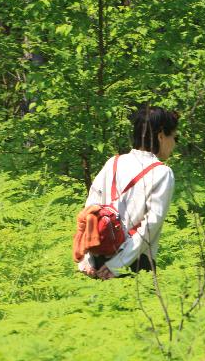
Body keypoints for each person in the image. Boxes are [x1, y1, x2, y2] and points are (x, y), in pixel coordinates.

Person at [77, 106, 179, 280]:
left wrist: (85, 258)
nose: (175, 143)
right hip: (135, 264)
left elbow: (90, 213)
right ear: (161, 136)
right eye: (175, 137)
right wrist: (118, 265)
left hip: (97, 262)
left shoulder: (113, 163)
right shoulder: (162, 173)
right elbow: (150, 226)